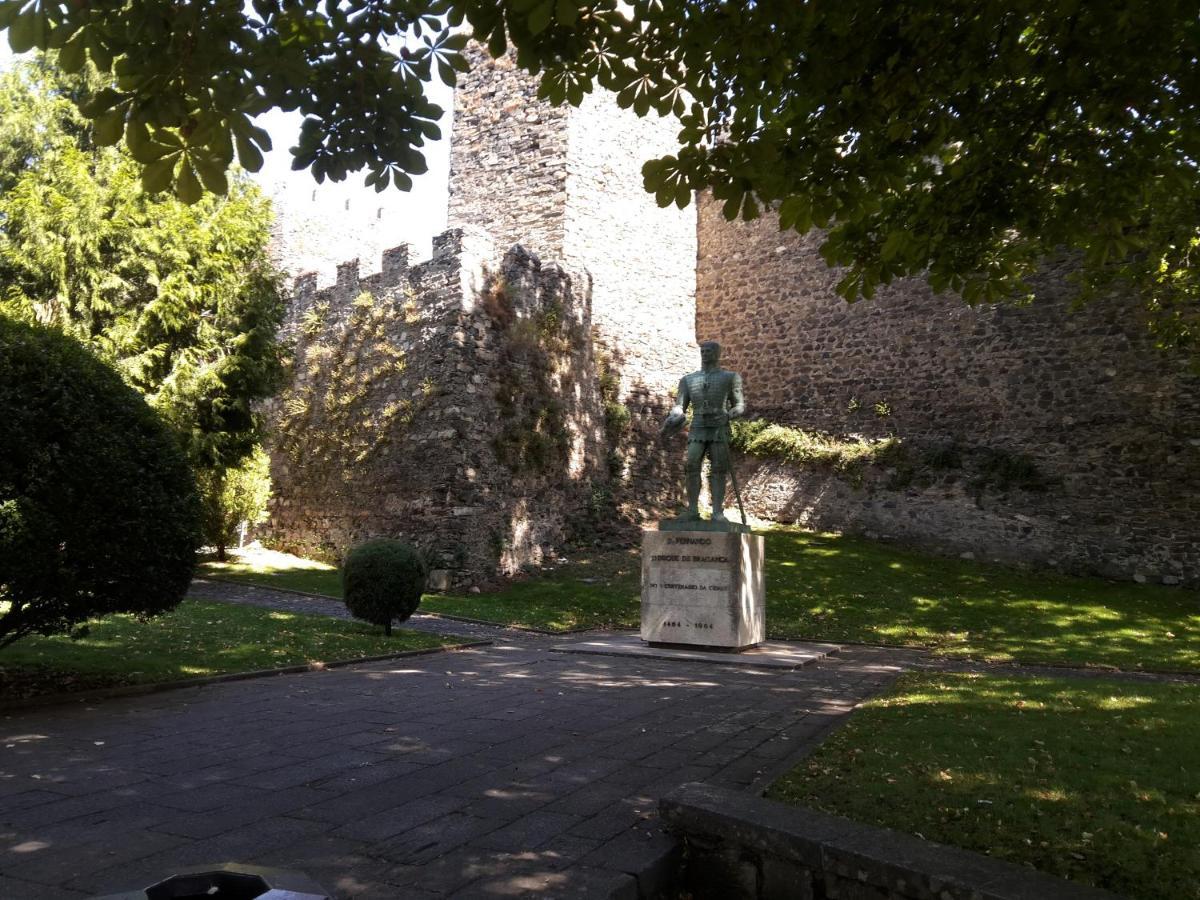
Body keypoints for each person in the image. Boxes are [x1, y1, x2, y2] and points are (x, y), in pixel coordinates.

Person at [661, 340, 746, 523]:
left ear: (717, 354)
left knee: (718, 469)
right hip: (698, 426)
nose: (705, 354)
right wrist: (675, 415)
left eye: (709, 351)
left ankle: (717, 512)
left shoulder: (730, 377)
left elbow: (739, 405)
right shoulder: (688, 380)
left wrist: (729, 416)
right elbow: (679, 405)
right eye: (703, 351)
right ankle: (692, 510)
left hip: (719, 426)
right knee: (691, 465)